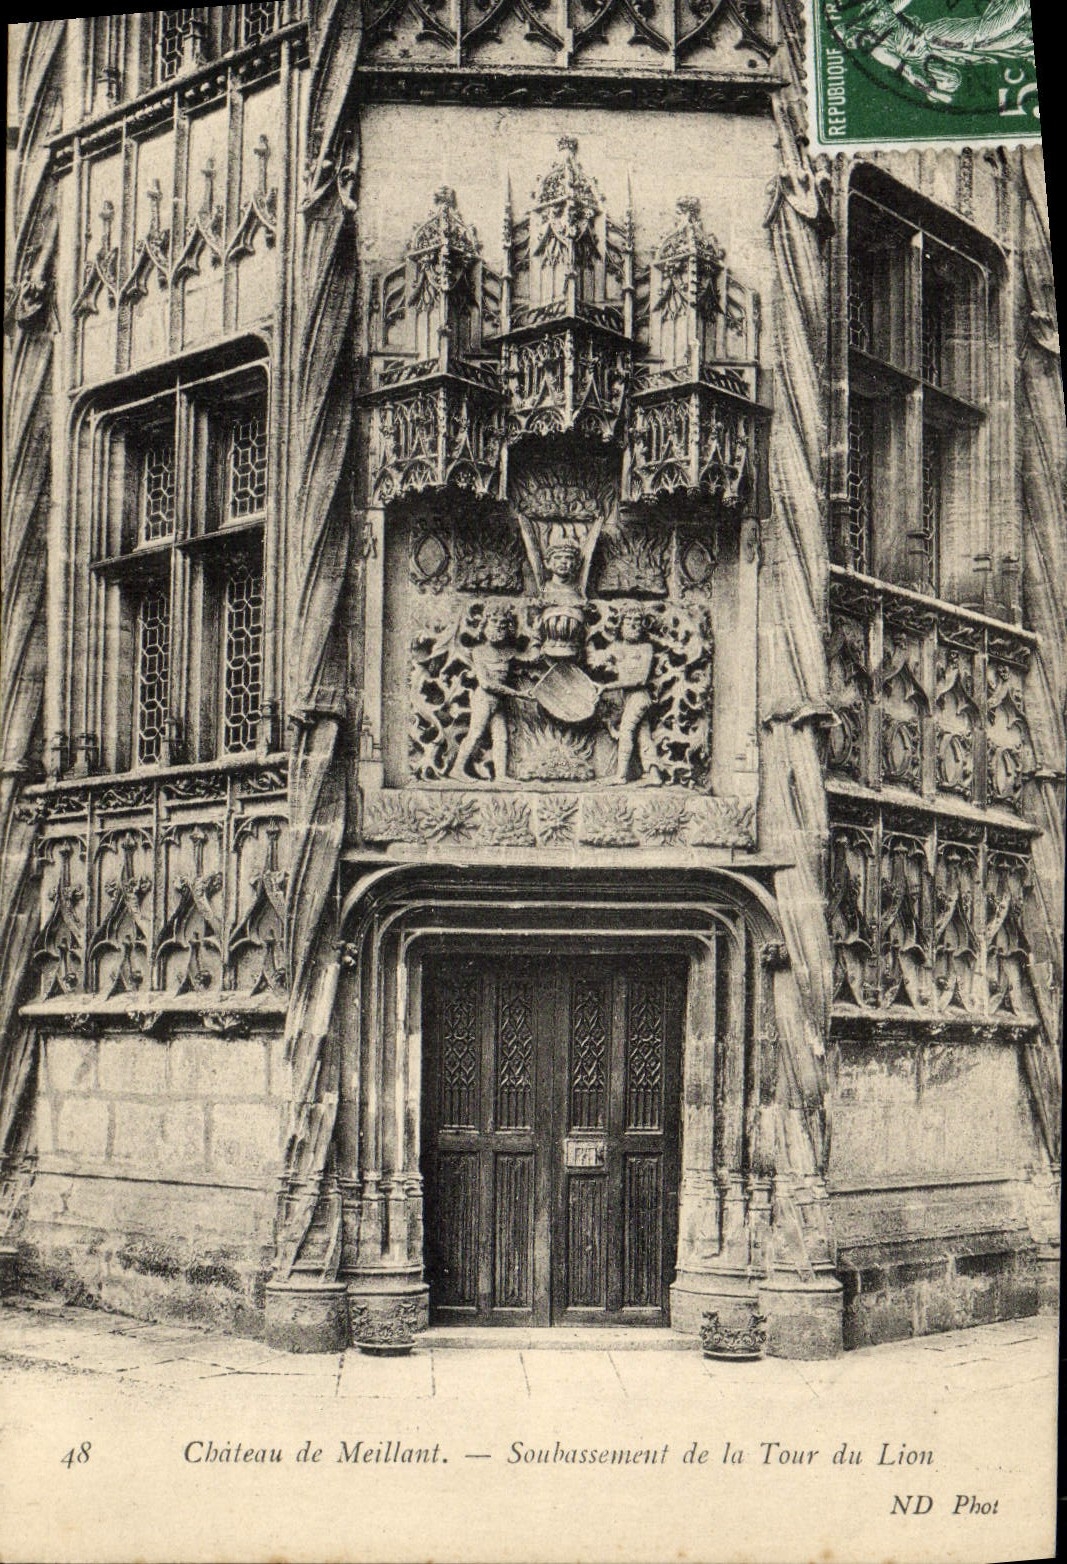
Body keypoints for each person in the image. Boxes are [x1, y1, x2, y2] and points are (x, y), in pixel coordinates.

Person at [450, 606, 525, 781]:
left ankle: (501, 776)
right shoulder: (479, 651)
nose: (498, 626)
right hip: (484, 699)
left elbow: (529, 658)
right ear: (485, 624)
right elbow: (486, 683)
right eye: (494, 621)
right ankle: (457, 770)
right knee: (475, 734)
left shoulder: (508, 653)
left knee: (501, 738)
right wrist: (517, 694)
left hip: (498, 701)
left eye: (503, 624)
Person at [598, 606, 657, 783]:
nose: (633, 625)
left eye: (637, 620)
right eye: (628, 620)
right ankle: (654, 775)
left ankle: (621, 776)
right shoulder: (616, 647)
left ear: (642, 625)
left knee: (626, 731)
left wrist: (607, 686)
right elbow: (597, 659)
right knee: (643, 735)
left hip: (640, 696)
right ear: (621, 624)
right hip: (626, 698)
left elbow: (640, 679)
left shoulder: (646, 648)